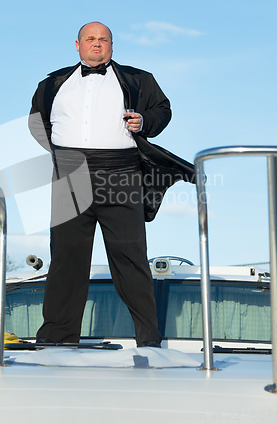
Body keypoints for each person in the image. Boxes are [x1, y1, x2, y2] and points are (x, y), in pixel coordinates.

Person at [28, 21, 174, 347]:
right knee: (66, 258)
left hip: (121, 171)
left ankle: (149, 341)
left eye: (103, 39)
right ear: (77, 45)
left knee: (130, 257)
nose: (97, 44)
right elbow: (36, 122)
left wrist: (145, 122)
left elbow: (162, 110)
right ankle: (57, 339)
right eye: (90, 39)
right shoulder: (52, 83)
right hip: (70, 173)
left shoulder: (139, 79)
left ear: (111, 46)